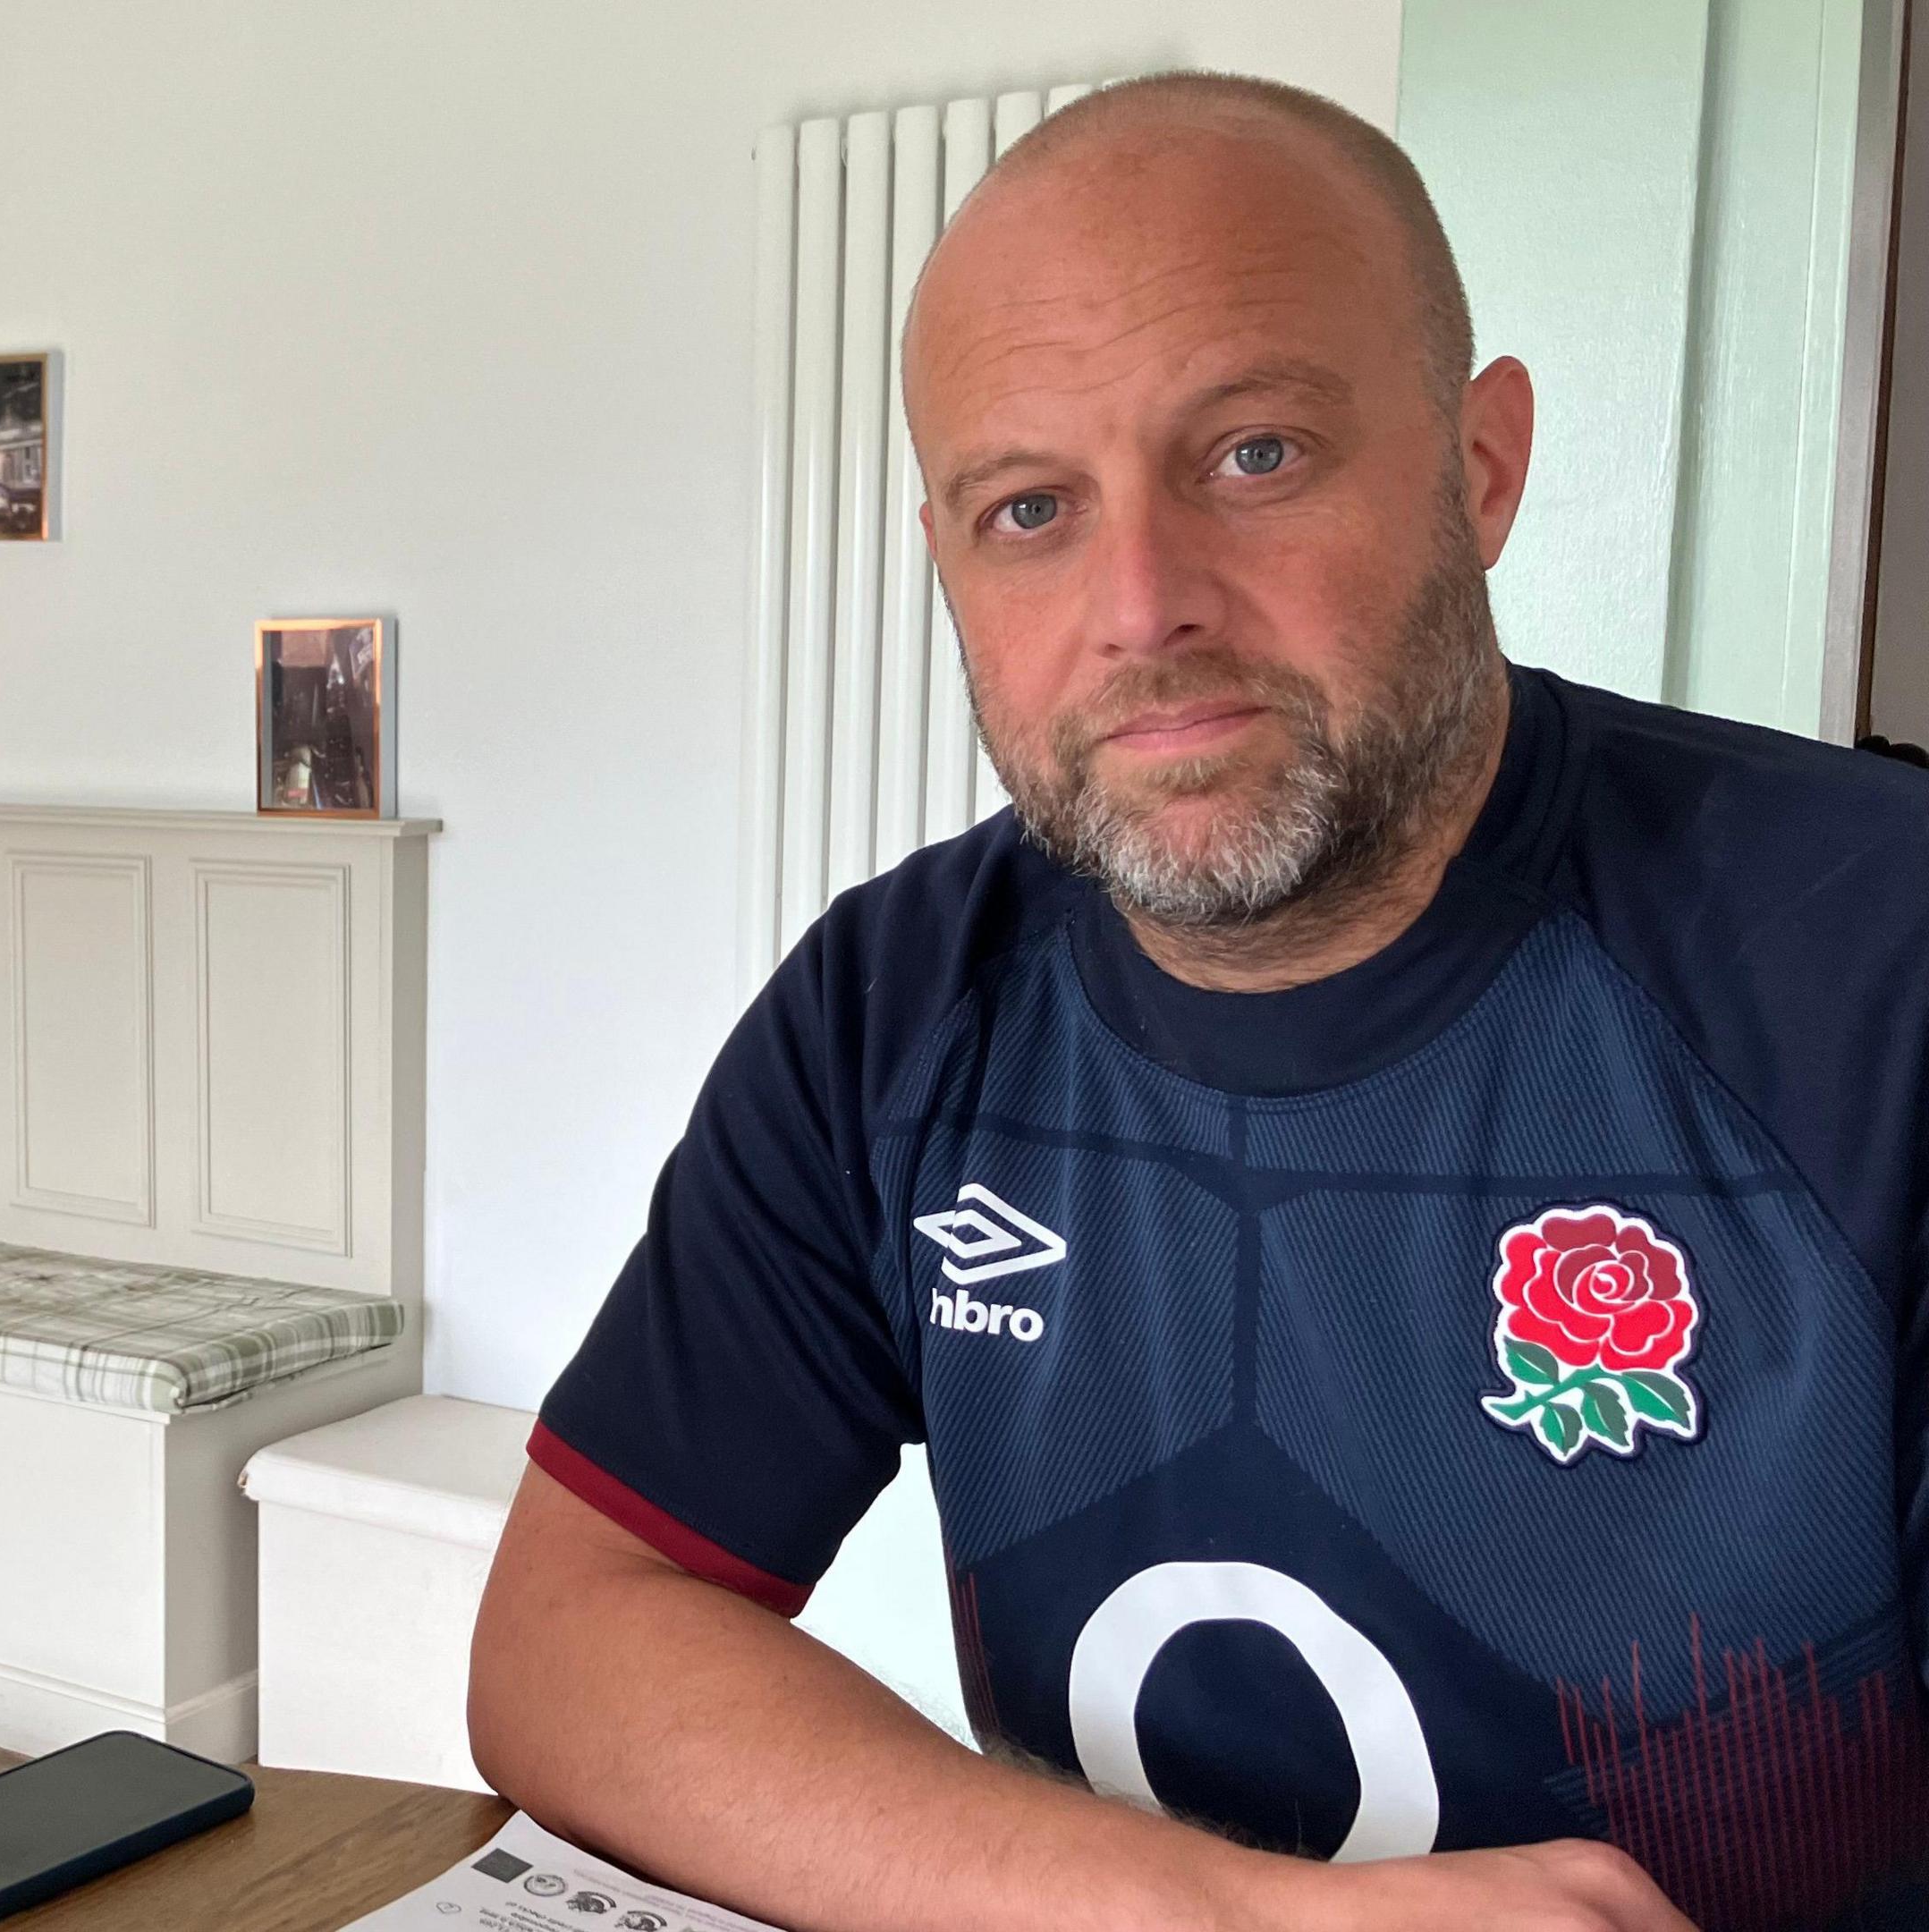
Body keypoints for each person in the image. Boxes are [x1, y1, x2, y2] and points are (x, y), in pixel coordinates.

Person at [470, 71, 1927, 1932]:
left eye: (1254, 454)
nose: (1140, 604)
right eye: (1028, 509)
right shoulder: (886, 1009)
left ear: (1480, 468)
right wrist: (1230, 1920)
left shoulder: (1878, 967)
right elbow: (573, 1640)